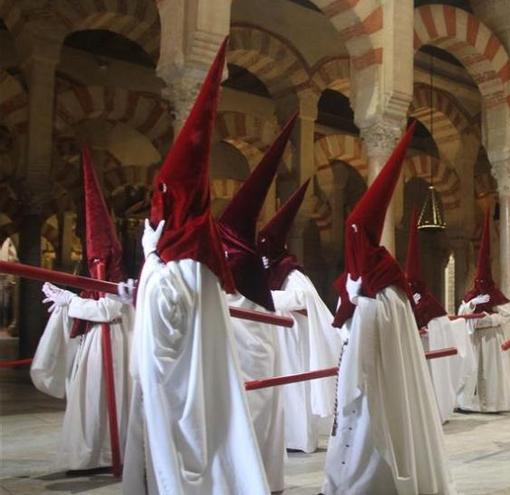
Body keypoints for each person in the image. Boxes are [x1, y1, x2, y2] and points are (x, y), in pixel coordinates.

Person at [122, 41, 270, 494]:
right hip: (198, 391)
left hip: (179, 398)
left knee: (185, 463)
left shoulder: (177, 265)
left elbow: (164, 340)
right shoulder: (196, 261)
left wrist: (148, 261)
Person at [321, 122, 455, 494]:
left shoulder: (381, 293)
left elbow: (364, 352)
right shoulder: (372, 287)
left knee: (369, 450)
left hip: (372, 393)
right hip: (368, 386)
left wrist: (358, 304)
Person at [31, 147, 134, 472]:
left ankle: (104, 454)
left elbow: (107, 309)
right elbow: (95, 305)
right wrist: (66, 302)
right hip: (96, 344)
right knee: (90, 399)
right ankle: (91, 453)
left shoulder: (117, 276)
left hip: (113, 346)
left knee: (100, 398)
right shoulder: (98, 271)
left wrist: (69, 301)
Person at [216, 115, 298, 492]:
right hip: (250, 352)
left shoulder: (242, 263)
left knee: (255, 412)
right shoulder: (247, 266)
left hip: (254, 359)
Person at [258, 178, 341, 453]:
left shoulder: (291, 272)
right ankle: (285, 438)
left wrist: (267, 299)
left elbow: (303, 298)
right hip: (278, 341)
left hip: (294, 342)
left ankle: (301, 439)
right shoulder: (269, 273)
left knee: (295, 390)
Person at [404, 210, 470, 423]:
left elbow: (441, 329)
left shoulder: (430, 305)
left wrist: (428, 332)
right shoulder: (400, 301)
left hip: (428, 352)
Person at [457, 212, 510, 413]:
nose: (480, 285)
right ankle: (469, 403)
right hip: (475, 339)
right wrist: (472, 304)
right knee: (474, 371)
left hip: (491, 338)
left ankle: (492, 403)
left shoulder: (495, 295)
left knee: (491, 371)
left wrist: (490, 319)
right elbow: (461, 313)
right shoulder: (471, 295)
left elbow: (508, 315)